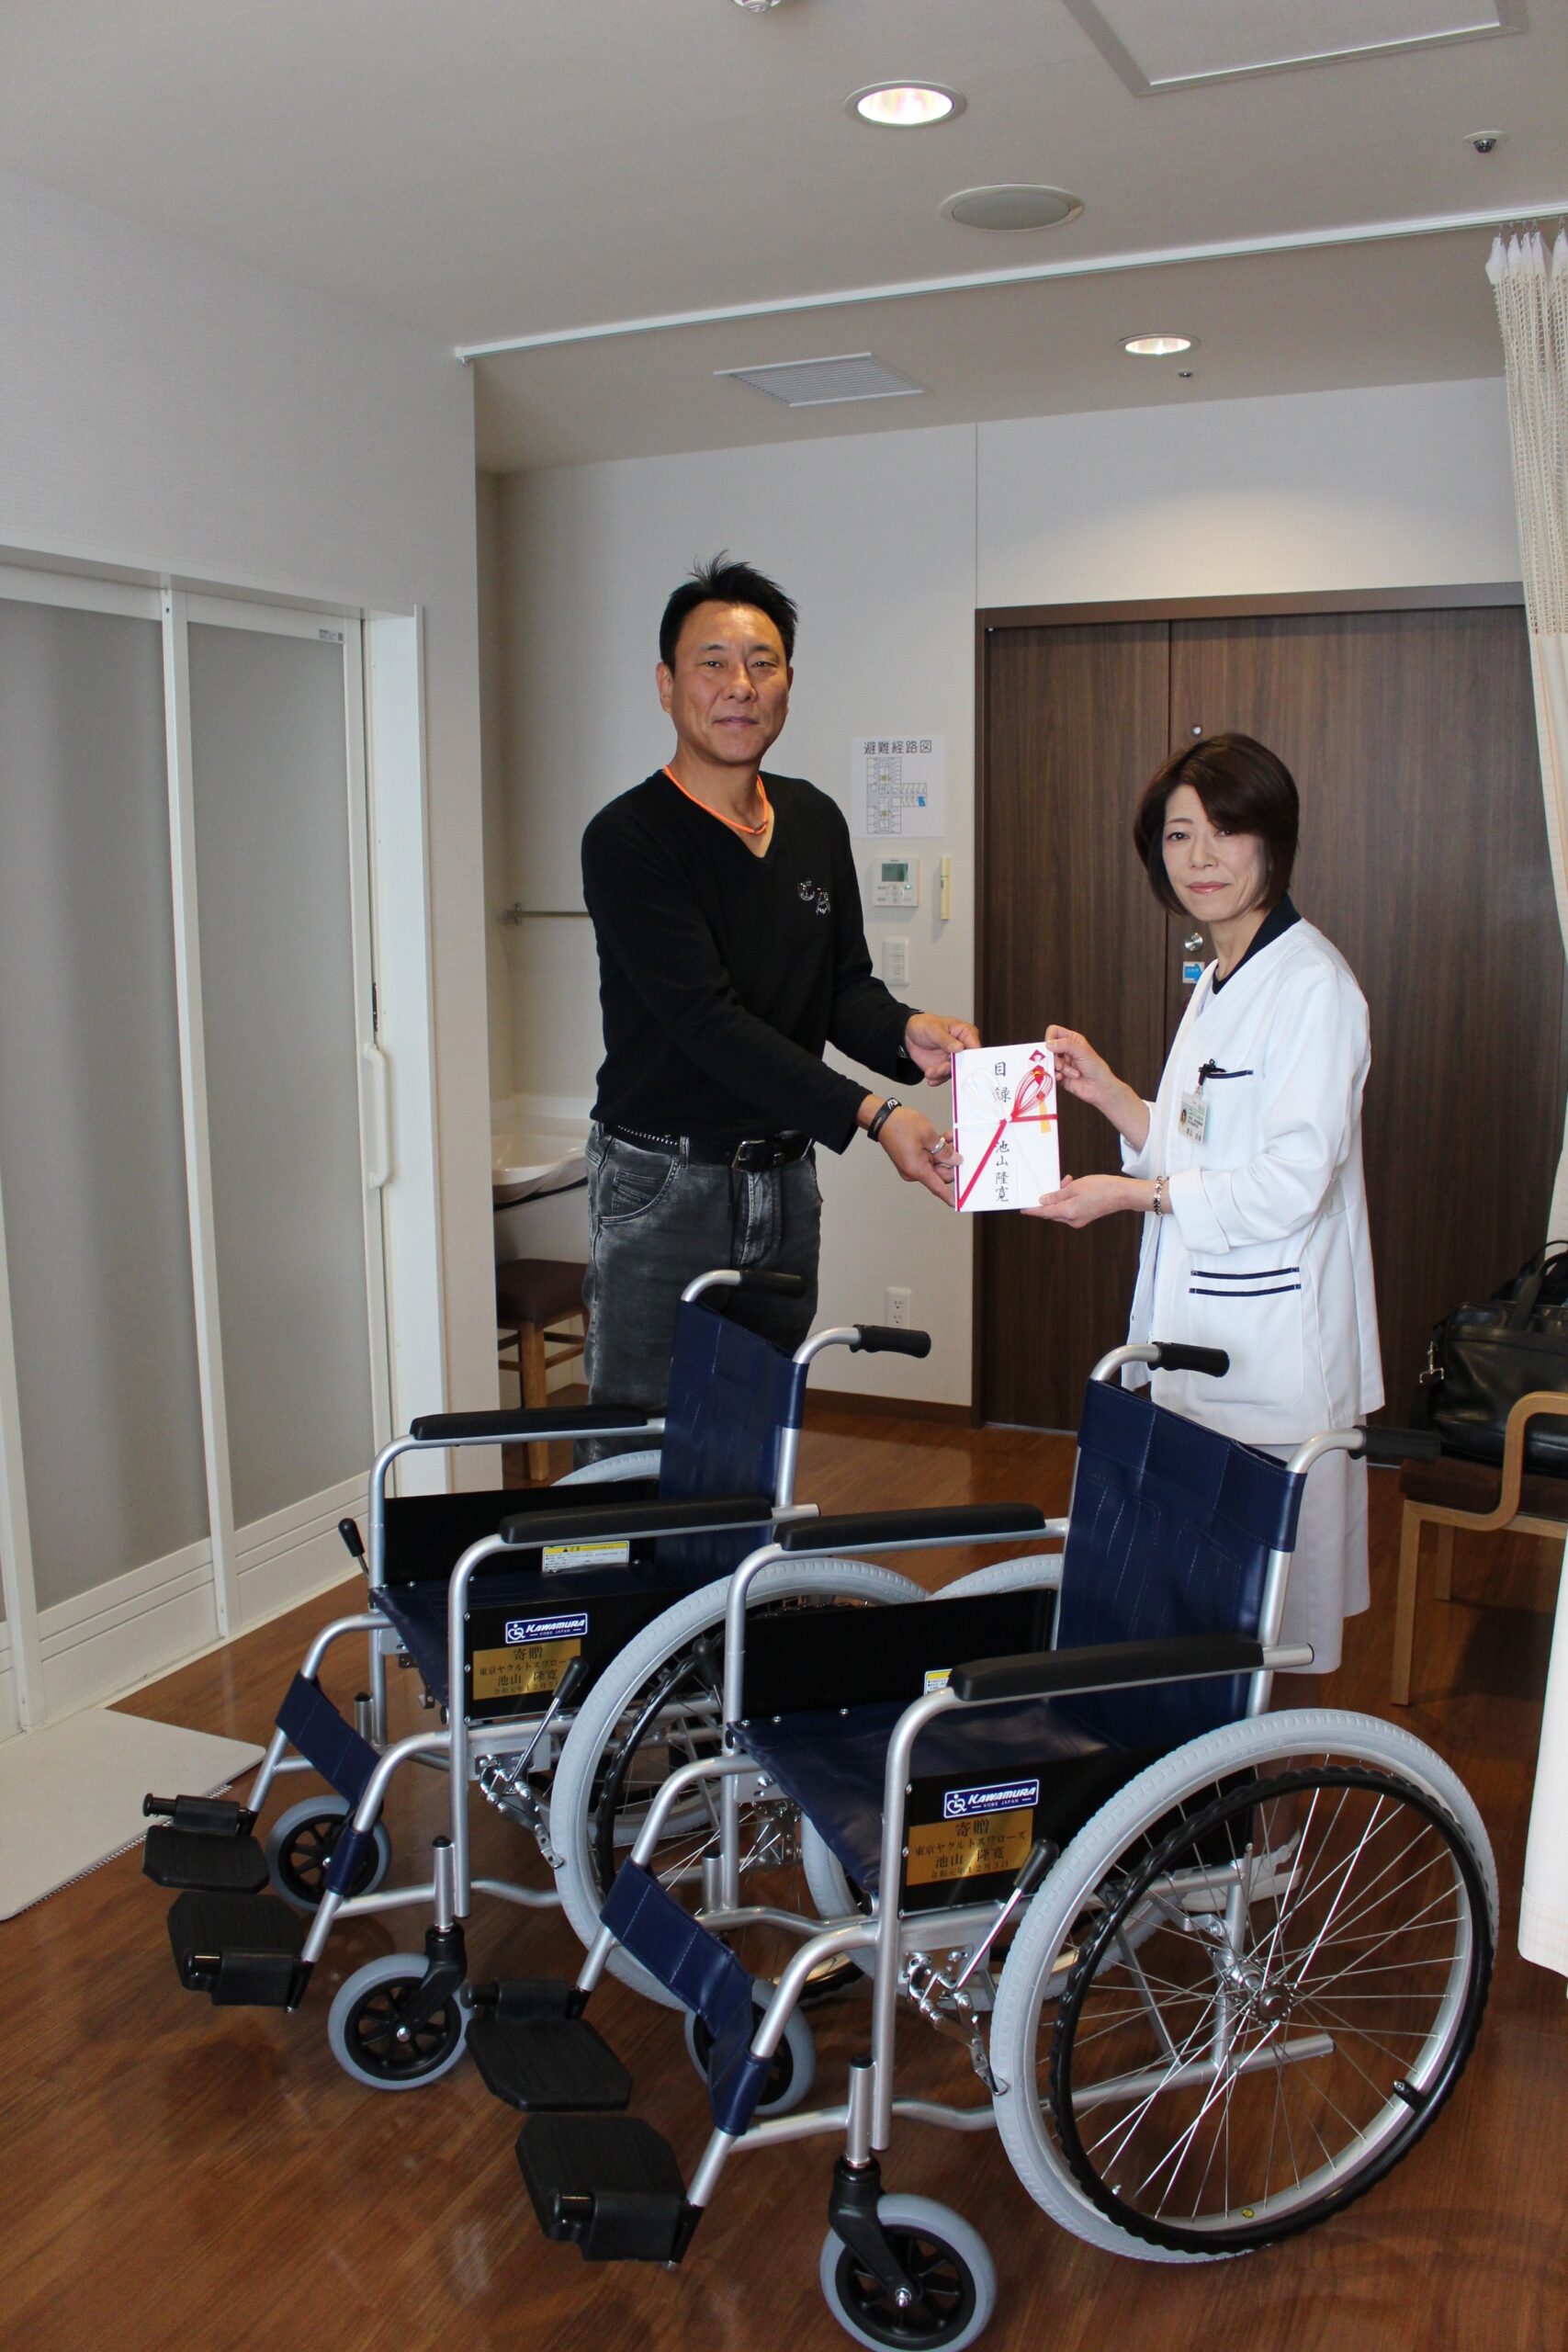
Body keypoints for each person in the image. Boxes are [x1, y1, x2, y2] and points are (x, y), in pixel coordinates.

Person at [579, 553, 976, 1433]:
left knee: (755, 1433)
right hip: (661, 1181)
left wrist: (907, 1031)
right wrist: (875, 1116)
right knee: (639, 1447)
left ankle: (745, 1539)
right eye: (712, 663)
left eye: (762, 663)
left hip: (784, 1179)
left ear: (788, 683)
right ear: (666, 685)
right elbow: (706, 1023)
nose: (740, 685)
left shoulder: (811, 819)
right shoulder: (628, 838)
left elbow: (840, 989)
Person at [1026, 732, 1382, 1679]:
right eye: (1180, 835)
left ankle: (1254, 1772)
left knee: (1264, 1619)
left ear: (1274, 840)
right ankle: (1204, 1760)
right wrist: (1108, 1092)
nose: (1202, 856)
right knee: (1200, 1603)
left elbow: (1292, 1182)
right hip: (1202, 1336)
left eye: (1226, 830)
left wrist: (1133, 1196)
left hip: (1271, 1350)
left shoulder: (1312, 987)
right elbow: (1198, 1140)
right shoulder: (1220, 977)